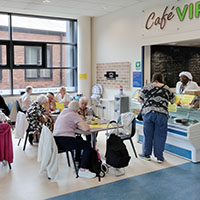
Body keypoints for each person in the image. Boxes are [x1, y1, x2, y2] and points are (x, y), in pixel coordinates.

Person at [138, 72, 175, 163]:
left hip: (148, 113)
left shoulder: (147, 86)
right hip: (162, 114)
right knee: (160, 136)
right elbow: (173, 100)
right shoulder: (167, 88)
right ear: (161, 78)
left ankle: (146, 155)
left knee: (148, 135)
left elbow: (140, 99)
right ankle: (159, 157)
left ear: (153, 78)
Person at [53, 101, 96, 179]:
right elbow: (86, 128)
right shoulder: (73, 114)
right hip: (65, 141)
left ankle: (77, 161)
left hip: (56, 141)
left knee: (79, 139)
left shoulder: (64, 111)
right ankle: (83, 170)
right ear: (77, 109)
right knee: (87, 145)